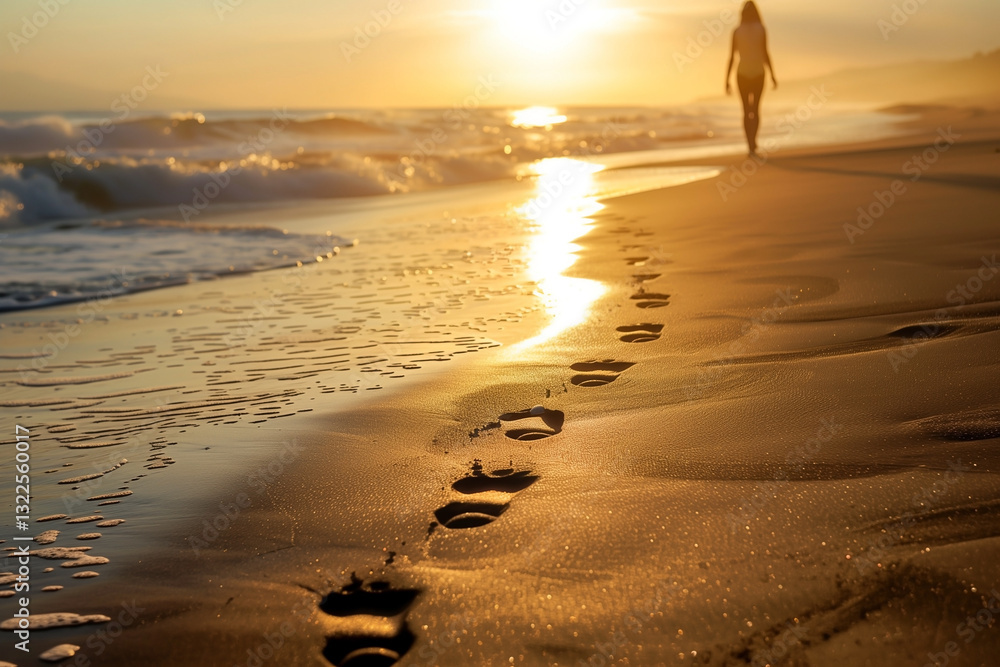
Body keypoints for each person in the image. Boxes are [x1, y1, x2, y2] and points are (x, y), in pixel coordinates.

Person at [725, 1, 777, 156]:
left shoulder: (736, 31)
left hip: (741, 75)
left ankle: (749, 145)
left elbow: (731, 57)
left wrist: (726, 80)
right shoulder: (761, 29)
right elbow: (766, 53)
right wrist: (773, 75)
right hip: (759, 73)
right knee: (756, 109)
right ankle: (753, 142)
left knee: (746, 110)